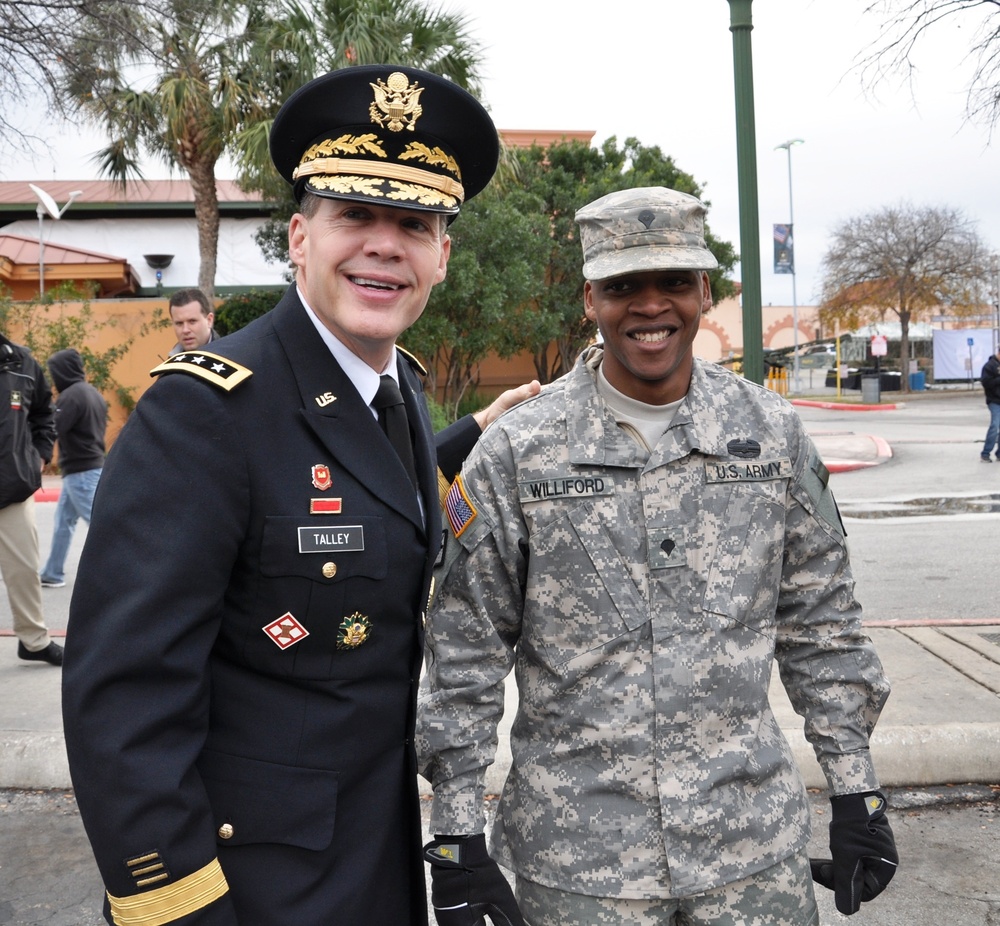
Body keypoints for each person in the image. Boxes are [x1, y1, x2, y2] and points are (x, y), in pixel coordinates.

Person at [62, 64, 538, 926]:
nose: (384, 244)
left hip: (369, 863)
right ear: (298, 238)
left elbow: (364, 506)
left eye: (415, 223)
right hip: (249, 892)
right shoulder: (205, 411)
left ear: (443, 254)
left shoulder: (397, 391)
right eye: (354, 215)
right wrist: (175, 905)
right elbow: (125, 698)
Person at [418, 187, 898, 926]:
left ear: (705, 290)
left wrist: (855, 789)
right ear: (590, 298)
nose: (650, 307)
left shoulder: (769, 434)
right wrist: (454, 834)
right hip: (579, 865)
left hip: (749, 855)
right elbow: (465, 653)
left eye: (673, 282)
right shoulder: (519, 450)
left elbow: (821, 623)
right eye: (622, 287)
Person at [0, 332, 62, 666]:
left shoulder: (23, 362)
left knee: (23, 570)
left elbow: (43, 412)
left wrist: (39, 455)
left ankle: (34, 641)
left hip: (12, 487)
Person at [38, 348, 107, 588]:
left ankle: (128, 573)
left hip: (81, 472)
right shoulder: (92, 393)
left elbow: (54, 428)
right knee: (63, 524)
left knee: (101, 525)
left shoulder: (71, 397)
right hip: (88, 468)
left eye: (54, 372)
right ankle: (52, 572)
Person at [167, 287, 219, 355]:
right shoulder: (172, 361)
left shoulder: (229, 359)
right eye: (179, 323)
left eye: (192, 321)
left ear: (209, 320)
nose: (185, 330)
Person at [979, 345, 1000, 462]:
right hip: (994, 401)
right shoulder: (989, 366)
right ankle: (985, 453)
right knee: (994, 426)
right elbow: (986, 382)